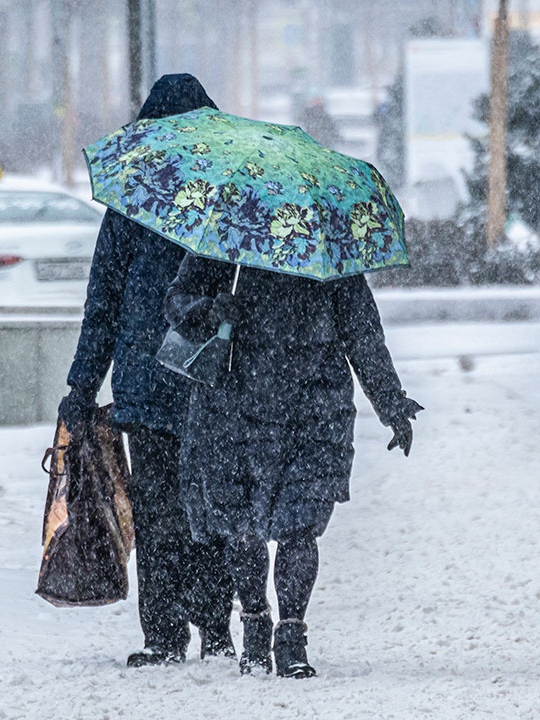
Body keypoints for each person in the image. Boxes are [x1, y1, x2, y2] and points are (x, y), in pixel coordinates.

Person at [164, 256, 422, 677]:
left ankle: (291, 637)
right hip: (234, 405)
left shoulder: (329, 252)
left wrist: (391, 402)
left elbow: (362, 332)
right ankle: (254, 624)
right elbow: (176, 299)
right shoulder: (229, 239)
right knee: (241, 525)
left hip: (314, 411)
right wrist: (209, 310)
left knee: (300, 525)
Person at [58, 73, 234, 668]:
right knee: (203, 508)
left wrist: (83, 385)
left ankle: (164, 636)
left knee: (161, 512)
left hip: (151, 385)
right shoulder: (227, 199)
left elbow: (102, 303)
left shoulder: (132, 202)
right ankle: (213, 627)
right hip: (207, 383)